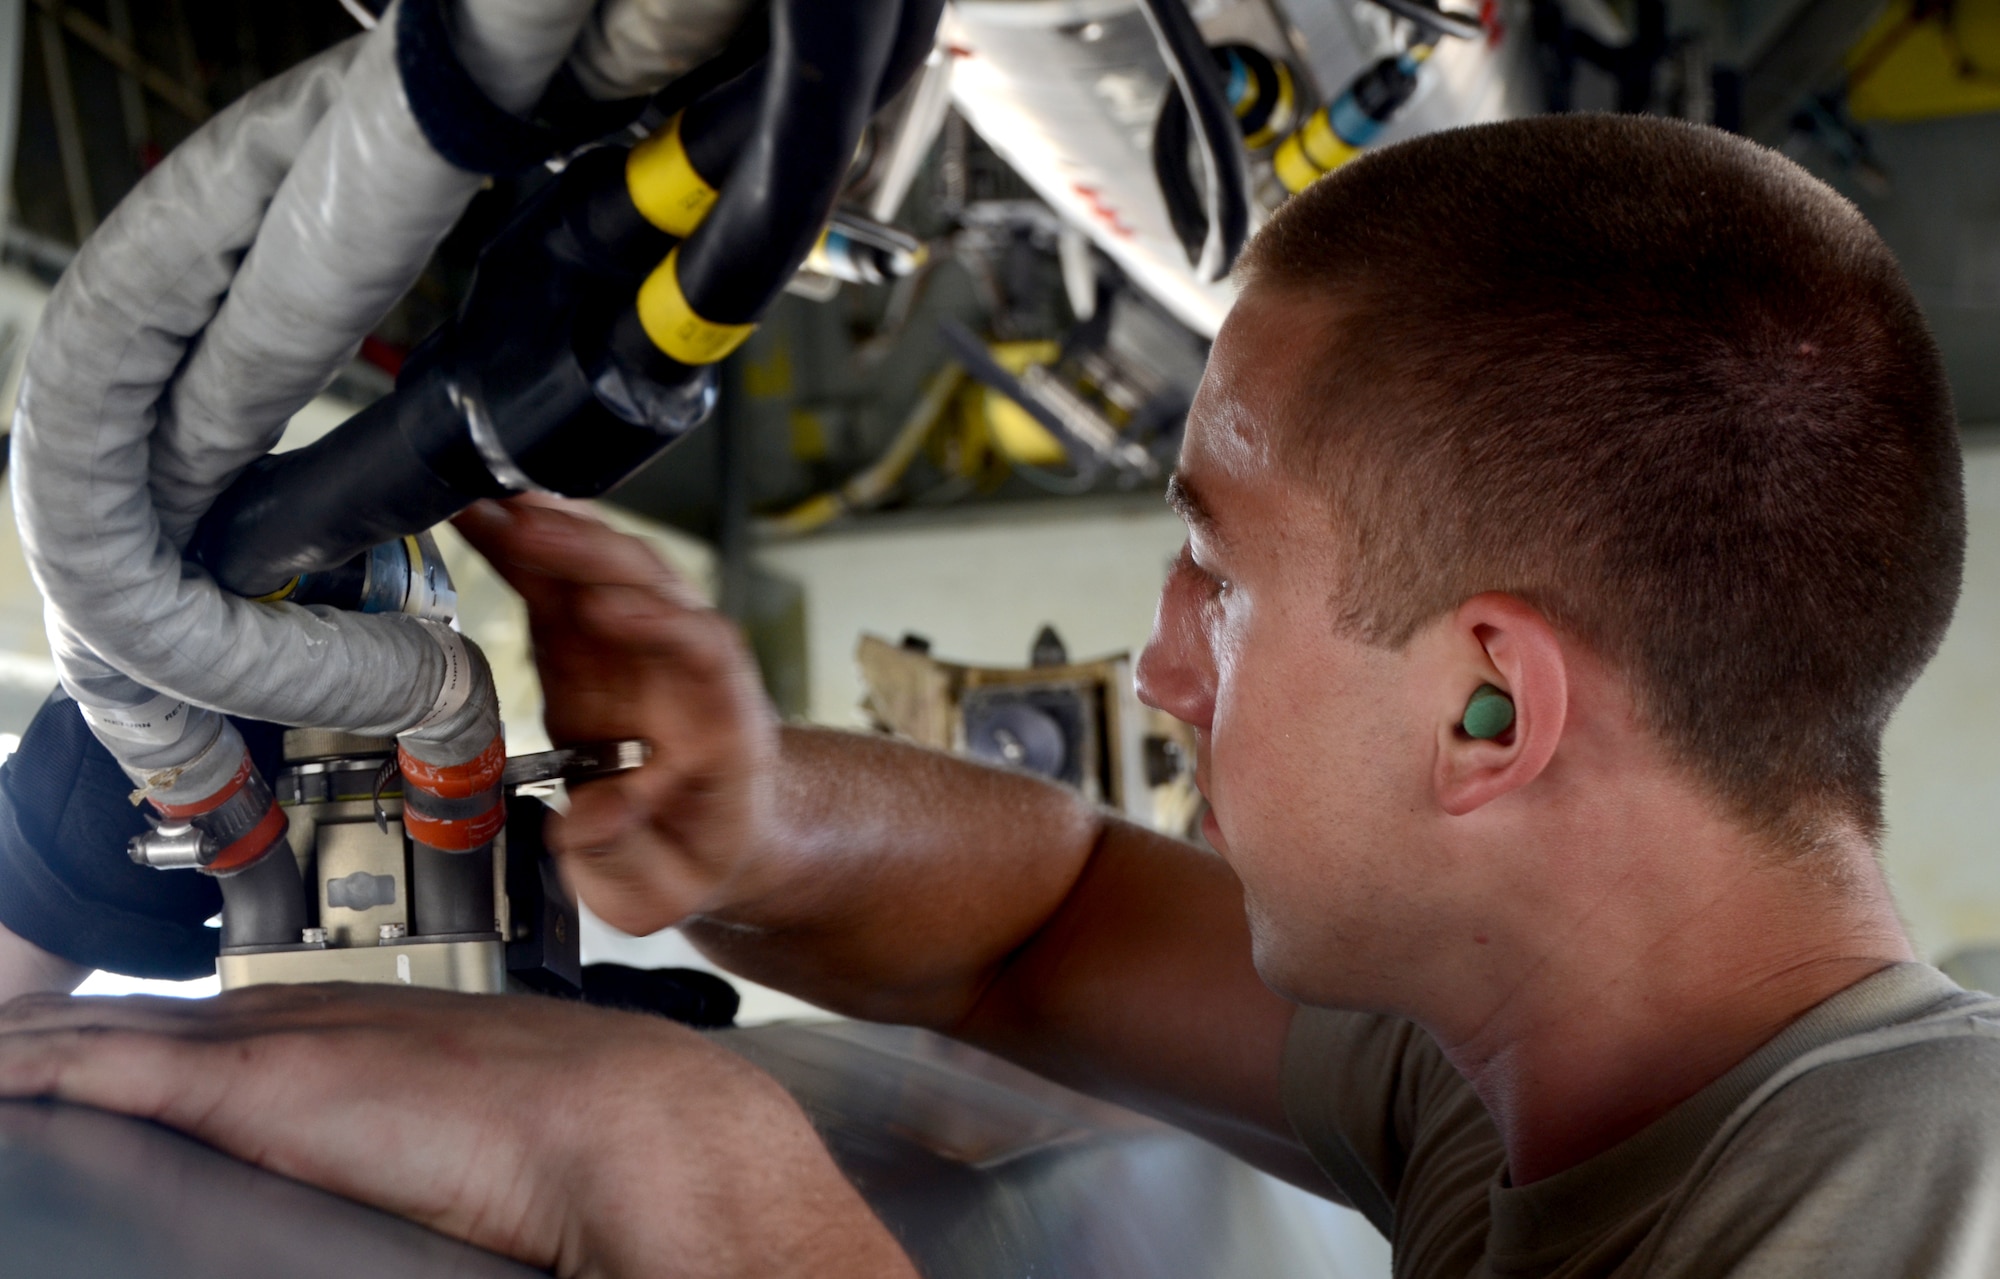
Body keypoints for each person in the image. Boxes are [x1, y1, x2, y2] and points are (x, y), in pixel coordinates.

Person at [1, 112, 1994, 1278]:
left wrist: (696, 1183)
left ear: (1490, 711)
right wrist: (754, 811)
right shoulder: (1553, 1059)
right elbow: (1052, 912)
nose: (1158, 664)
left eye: (1216, 566)